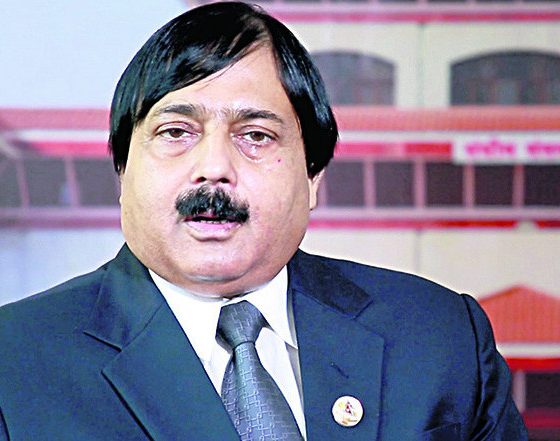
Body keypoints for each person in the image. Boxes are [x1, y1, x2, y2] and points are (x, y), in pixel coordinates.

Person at [0, 2, 527, 440]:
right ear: (122, 170)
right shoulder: (14, 361)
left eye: (256, 136)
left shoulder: (438, 335)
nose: (213, 168)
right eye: (176, 132)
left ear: (313, 176)